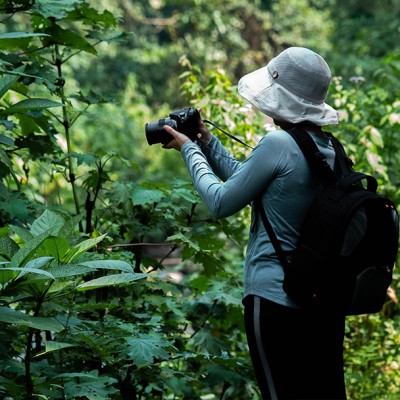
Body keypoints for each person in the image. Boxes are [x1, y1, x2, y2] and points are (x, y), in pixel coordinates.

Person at [163, 47, 346, 399]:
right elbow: (247, 182)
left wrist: (189, 148)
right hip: (320, 302)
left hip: (276, 299)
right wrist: (207, 140)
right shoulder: (329, 149)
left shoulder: (278, 143)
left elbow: (220, 201)